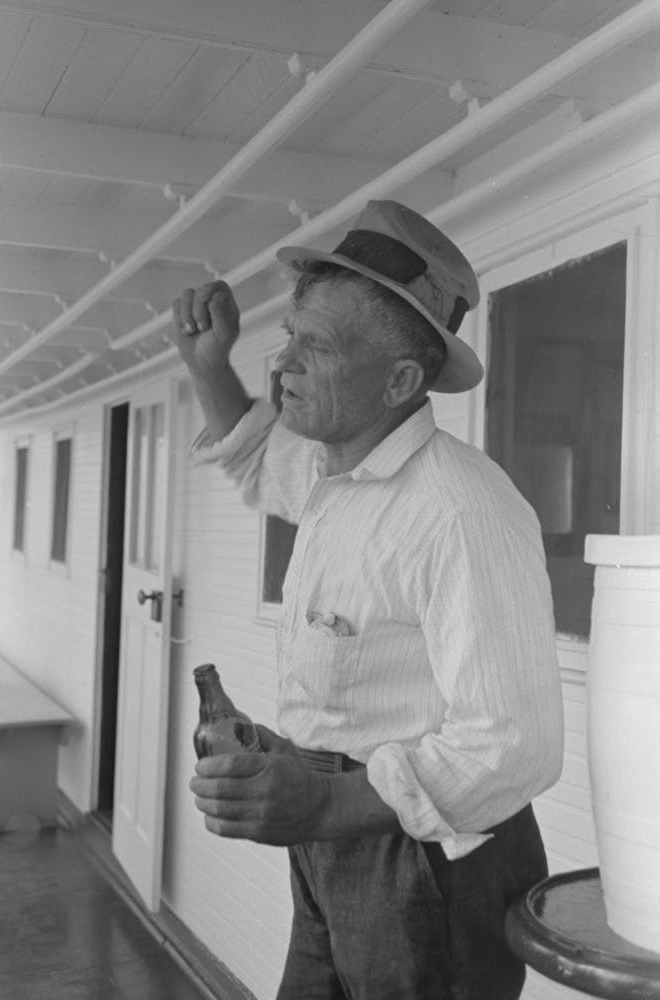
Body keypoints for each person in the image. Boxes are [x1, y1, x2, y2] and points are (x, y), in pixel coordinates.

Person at [172, 200, 564, 1000]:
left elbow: (514, 744)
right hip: (337, 839)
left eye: (315, 347)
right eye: (288, 338)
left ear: (401, 380)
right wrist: (210, 365)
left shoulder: (460, 509)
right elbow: (257, 459)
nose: (283, 364)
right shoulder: (338, 474)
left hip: (429, 868)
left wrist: (323, 798)